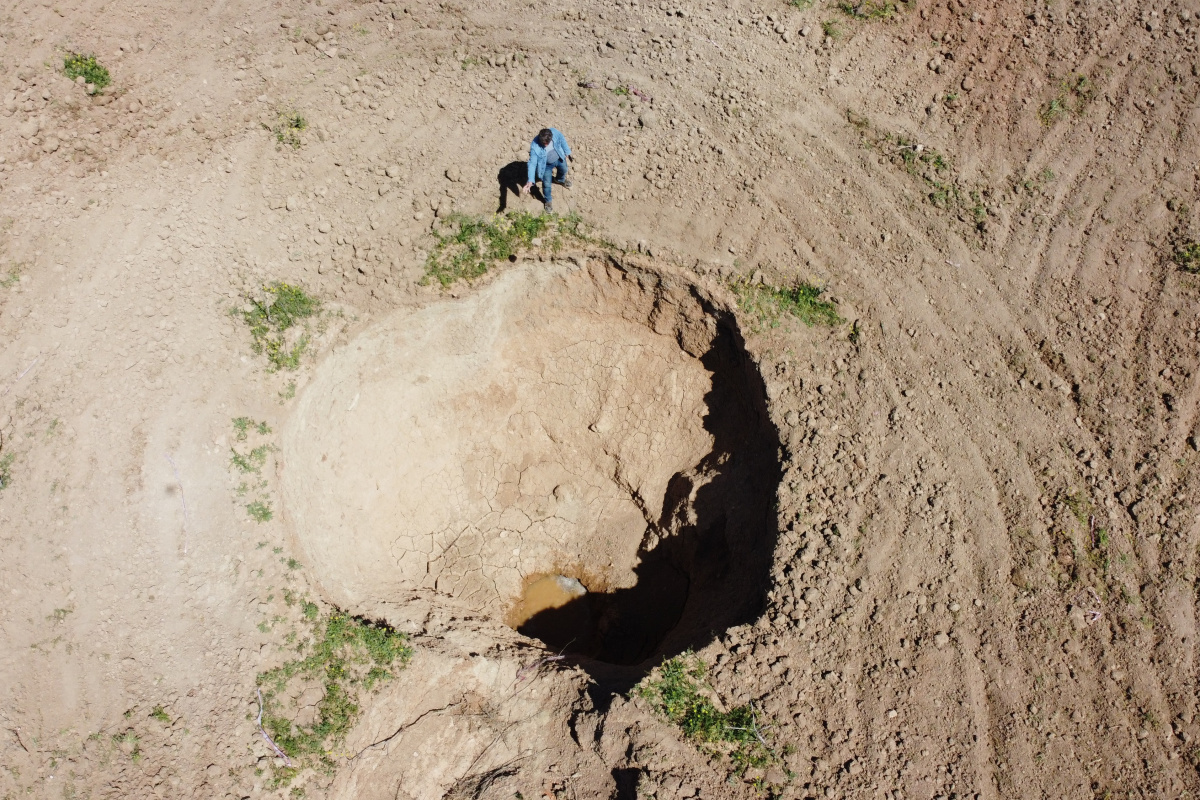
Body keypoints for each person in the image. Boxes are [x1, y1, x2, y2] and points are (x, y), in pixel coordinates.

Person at [523, 127, 572, 213]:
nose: (546, 145)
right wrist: (530, 180)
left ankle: (559, 180)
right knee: (546, 184)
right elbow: (532, 163)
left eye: (547, 143)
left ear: (551, 137)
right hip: (545, 166)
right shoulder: (535, 146)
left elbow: (562, 139)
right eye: (543, 143)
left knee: (564, 169)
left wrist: (567, 151)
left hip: (559, 158)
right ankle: (548, 201)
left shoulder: (555, 133)